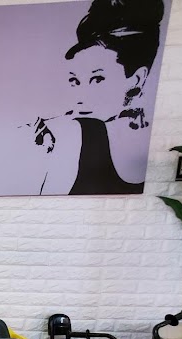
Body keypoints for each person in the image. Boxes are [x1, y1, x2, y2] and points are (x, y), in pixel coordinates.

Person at [24, 0, 165, 195]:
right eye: (75, 81)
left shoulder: (77, 133)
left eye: (97, 79)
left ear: (137, 79)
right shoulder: (72, 132)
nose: (80, 97)